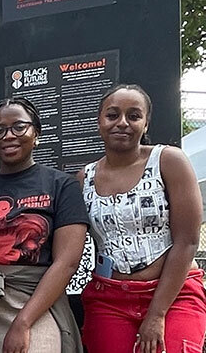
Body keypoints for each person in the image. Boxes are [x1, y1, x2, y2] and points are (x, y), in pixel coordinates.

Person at [78, 84, 205, 353]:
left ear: (145, 124)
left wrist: (157, 314)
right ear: (99, 122)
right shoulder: (84, 178)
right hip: (110, 299)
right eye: (112, 115)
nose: (122, 123)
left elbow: (188, 242)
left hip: (174, 294)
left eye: (134, 116)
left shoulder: (169, 161)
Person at [0, 97, 88, 353]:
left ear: (36, 133)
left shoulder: (62, 185)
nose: (9, 135)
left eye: (19, 127)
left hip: (35, 302)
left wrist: (24, 322)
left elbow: (68, 262)